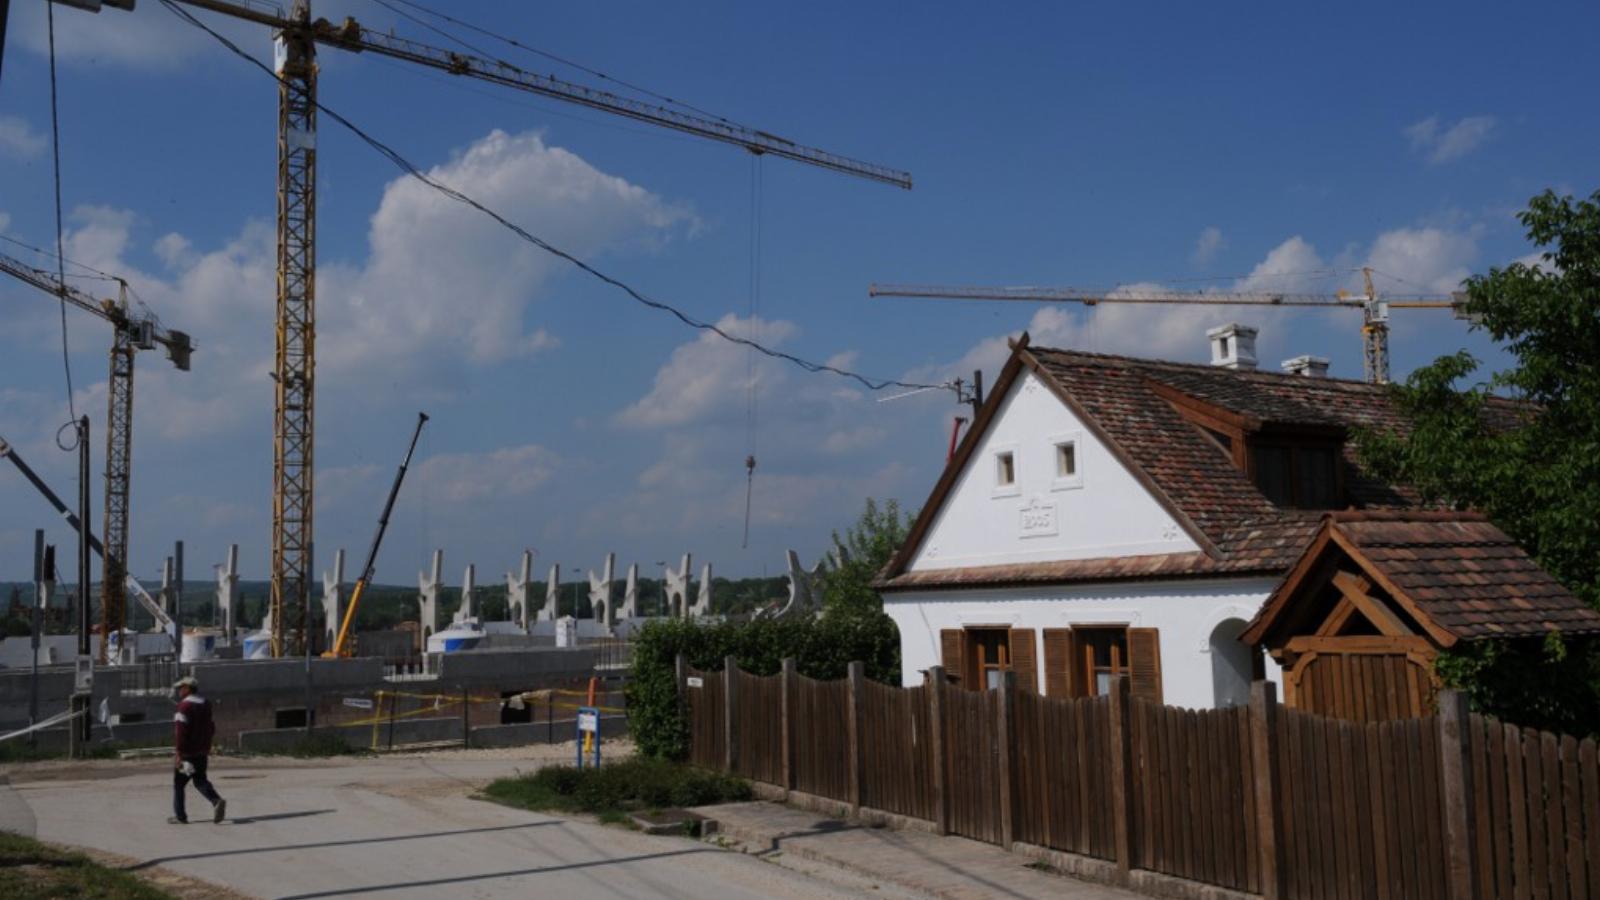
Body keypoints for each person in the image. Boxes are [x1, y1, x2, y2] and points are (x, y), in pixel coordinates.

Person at [170, 675, 226, 824]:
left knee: (179, 784)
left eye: (181, 688)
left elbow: (180, 733)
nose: (179, 691)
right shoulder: (206, 704)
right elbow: (211, 727)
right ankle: (216, 800)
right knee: (200, 780)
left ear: (187, 689)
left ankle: (180, 816)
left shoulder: (184, 707)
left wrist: (179, 754)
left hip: (188, 753)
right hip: (202, 751)